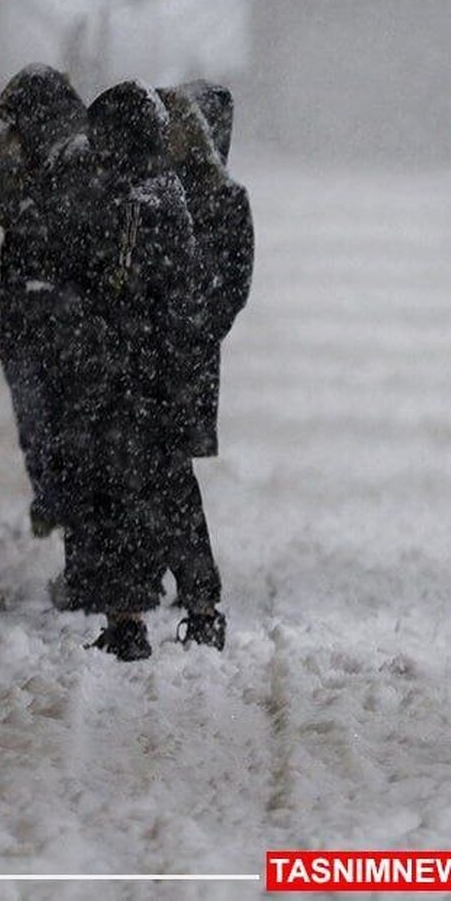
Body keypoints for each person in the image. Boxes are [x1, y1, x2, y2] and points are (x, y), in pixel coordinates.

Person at [60, 81, 196, 661]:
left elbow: (114, 285)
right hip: (155, 375)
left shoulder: (133, 202)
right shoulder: (168, 195)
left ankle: (128, 618)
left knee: (116, 499)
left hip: (123, 376)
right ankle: (164, 605)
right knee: (152, 493)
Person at [0, 65, 88, 547]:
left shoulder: (79, 154)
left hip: (53, 306)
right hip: (32, 305)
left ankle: (58, 504)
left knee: (50, 420)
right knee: (42, 418)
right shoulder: (17, 151)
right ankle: (54, 498)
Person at [157, 86, 254, 649]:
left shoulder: (217, 197)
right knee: (161, 476)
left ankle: (196, 596)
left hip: (179, 359)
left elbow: (228, 287)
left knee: (167, 477)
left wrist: (187, 329)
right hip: (165, 355)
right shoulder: (157, 192)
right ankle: (184, 591)